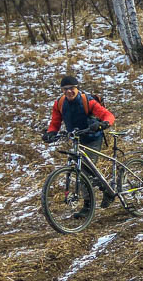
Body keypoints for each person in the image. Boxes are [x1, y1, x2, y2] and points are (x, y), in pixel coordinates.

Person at [42, 75, 116, 214]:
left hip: (93, 138)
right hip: (77, 139)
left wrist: (103, 124)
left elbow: (108, 115)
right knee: (81, 171)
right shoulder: (59, 103)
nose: (69, 91)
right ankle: (103, 191)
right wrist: (51, 133)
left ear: (77, 88)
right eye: (65, 89)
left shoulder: (87, 101)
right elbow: (55, 122)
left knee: (85, 171)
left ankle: (91, 203)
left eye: (71, 88)